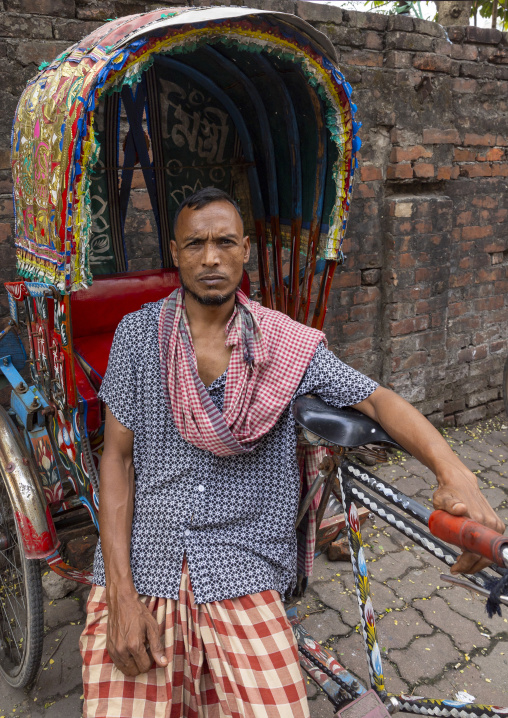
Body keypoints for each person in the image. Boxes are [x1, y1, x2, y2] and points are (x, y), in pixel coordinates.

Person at [80, 187, 503, 718]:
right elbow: (116, 459)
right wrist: (120, 593)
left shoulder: (285, 343)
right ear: (175, 252)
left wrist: (456, 473)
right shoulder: (138, 336)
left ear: (246, 251)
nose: (211, 258)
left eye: (225, 242)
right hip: (148, 556)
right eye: (195, 245)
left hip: (242, 562)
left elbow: (376, 398)